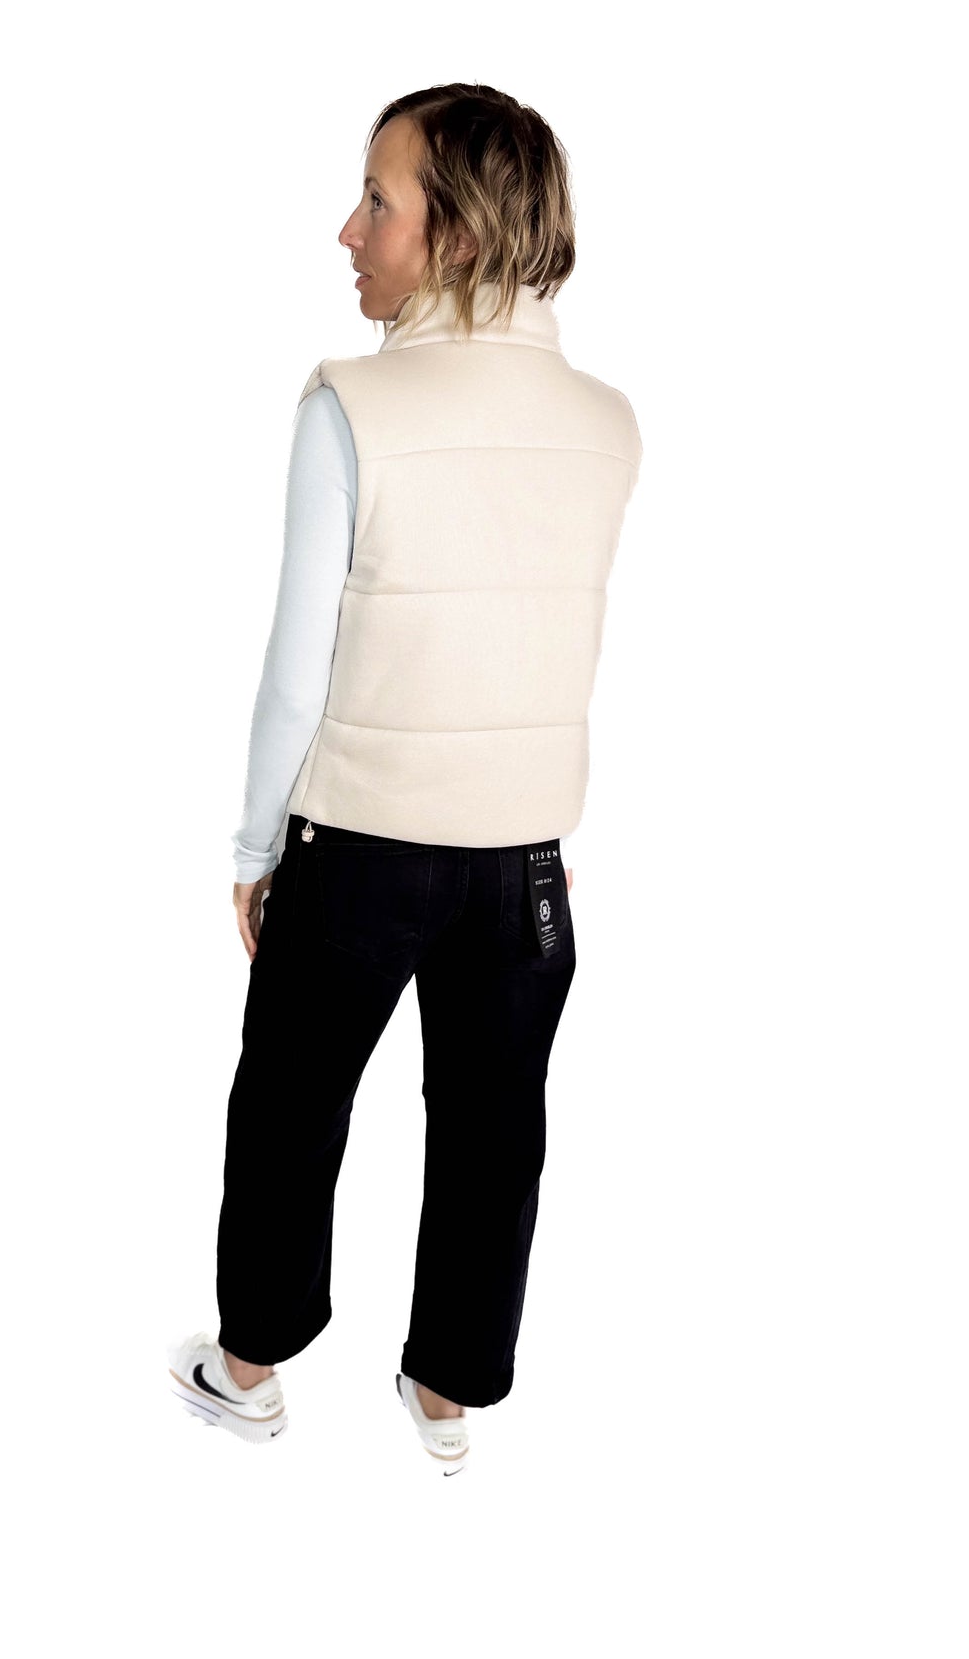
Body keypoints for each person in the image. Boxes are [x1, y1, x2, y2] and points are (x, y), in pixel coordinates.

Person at [167, 84, 643, 1472]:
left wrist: (254, 847)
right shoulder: (608, 422)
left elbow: (295, 667)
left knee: (289, 1104)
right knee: (496, 1129)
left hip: (358, 845)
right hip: (526, 866)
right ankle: (446, 1401)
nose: (348, 230)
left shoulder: (353, 408)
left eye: (377, 201)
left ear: (459, 230)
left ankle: (248, 1369)